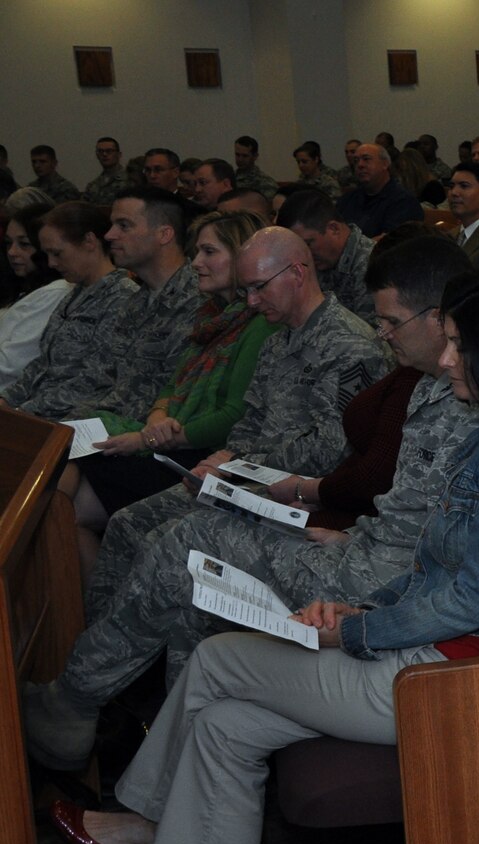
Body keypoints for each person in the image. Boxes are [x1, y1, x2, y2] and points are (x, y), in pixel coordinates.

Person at [39, 264, 479, 844]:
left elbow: (468, 600)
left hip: (454, 677)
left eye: (460, 344)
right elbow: (436, 565)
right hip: (428, 647)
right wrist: (362, 609)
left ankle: (146, 825)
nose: (447, 358)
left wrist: (355, 634)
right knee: (227, 726)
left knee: (217, 658)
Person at [25, 237, 479, 743]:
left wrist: (260, 478)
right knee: (155, 541)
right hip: (340, 536)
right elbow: (402, 506)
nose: (383, 334)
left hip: (364, 570)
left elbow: (357, 474)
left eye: (392, 322)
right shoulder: (430, 381)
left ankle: (81, 698)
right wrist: (235, 467)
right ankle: (131, 715)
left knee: (188, 543)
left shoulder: (458, 391)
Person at [64, 211, 276, 545]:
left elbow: (235, 416)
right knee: (67, 473)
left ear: (241, 258)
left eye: (209, 252)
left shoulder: (260, 323)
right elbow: (172, 385)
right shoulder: (211, 317)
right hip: (171, 439)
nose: (195, 263)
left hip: (206, 454)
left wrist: (150, 439)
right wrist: (157, 418)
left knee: (72, 509)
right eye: (196, 253)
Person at [0, 202, 141, 420]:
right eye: (47, 254)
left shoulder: (123, 298)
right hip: (35, 410)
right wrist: (7, 399)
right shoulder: (74, 294)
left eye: (57, 253)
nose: (51, 263)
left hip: (69, 420)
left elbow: (96, 379)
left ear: (89, 241)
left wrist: (23, 412)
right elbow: (42, 364)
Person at [276, 189, 378, 323]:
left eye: (308, 243)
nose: (303, 254)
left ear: (333, 229)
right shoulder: (317, 261)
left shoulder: (371, 263)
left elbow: (375, 333)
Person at [0, 201, 68, 385]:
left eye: (24, 244)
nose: (12, 252)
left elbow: (11, 365)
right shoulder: (17, 286)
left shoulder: (56, 292)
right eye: (8, 243)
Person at [336, 143, 422, 236]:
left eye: (366, 159)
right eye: (356, 161)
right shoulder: (348, 199)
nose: (360, 165)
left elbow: (390, 241)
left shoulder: (404, 201)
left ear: (385, 164)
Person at [84, 137, 125, 206]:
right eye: (100, 151)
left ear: (119, 154)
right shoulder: (93, 185)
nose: (104, 154)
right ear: (97, 155)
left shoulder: (131, 180)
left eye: (109, 151)